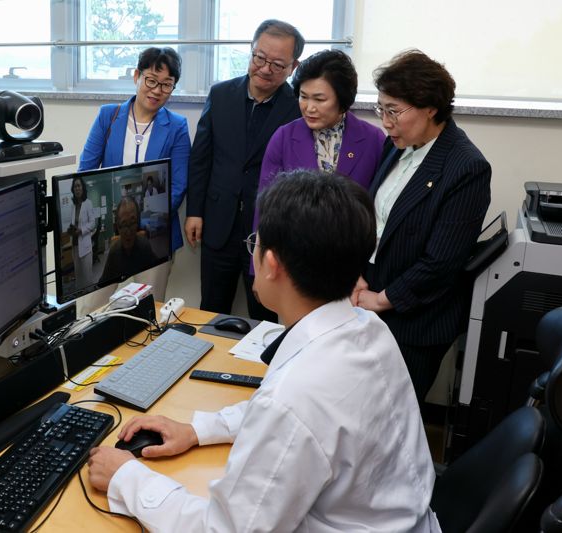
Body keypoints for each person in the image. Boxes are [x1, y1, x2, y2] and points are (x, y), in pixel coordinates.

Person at [87, 170, 440, 532]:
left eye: (254, 241)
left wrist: (126, 478)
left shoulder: (295, 395)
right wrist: (198, 430)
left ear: (271, 264)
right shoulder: (367, 328)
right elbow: (292, 420)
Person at [351, 49, 492, 404]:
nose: (385, 121)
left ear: (430, 107)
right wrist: (355, 274)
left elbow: (441, 262)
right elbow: (375, 219)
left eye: (394, 110)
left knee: (391, 422)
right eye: (380, 109)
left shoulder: (466, 168)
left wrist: (381, 300)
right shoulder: (397, 145)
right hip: (366, 295)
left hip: (413, 320)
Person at [185, 19, 304, 322]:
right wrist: (194, 211)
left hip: (266, 232)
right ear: (251, 51)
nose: (265, 69)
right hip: (217, 222)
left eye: (277, 64)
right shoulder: (221, 94)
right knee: (212, 308)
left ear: (293, 66)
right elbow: (202, 157)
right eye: (259, 58)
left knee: (264, 315)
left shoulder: (297, 108)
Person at [79, 47, 190, 302]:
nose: (156, 90)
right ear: (136, 76)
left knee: (149, 311)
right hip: (107, 235)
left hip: (155, 236)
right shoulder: (108, 116)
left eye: (166, 84)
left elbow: (178, 185)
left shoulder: (177, 126)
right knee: (91, 310)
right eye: (151, 80)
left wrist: (141, 224)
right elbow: (85, 173)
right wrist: (110, 222)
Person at [259, 49, 385, 191]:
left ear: (343, 98)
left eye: (319, 99)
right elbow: (266, 202)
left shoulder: (373, 139)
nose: (310, 108)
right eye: (304, 97)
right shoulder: (284, 137)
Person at [100, 196, 158, 283]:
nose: (128, 232)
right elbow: (102, 284)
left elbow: (156, 270)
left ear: (138, 223)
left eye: (132, 222)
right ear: (118, 228)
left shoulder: (144, 245)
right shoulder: (114, 252)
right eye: (123, 224)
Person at [66, 176, 96, 291]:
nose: (77, 188)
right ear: (73, 189)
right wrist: (71, 229)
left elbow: (93, 223)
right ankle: (80, 297)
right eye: (75, 186)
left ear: (82, 188)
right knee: (78, 275)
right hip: (75, 245)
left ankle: (89, 296)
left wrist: (81, 230)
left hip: (85, 246)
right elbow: (73, 223)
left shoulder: (88, 203)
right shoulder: (72, 206)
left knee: (87, 276)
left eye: (79, 186)